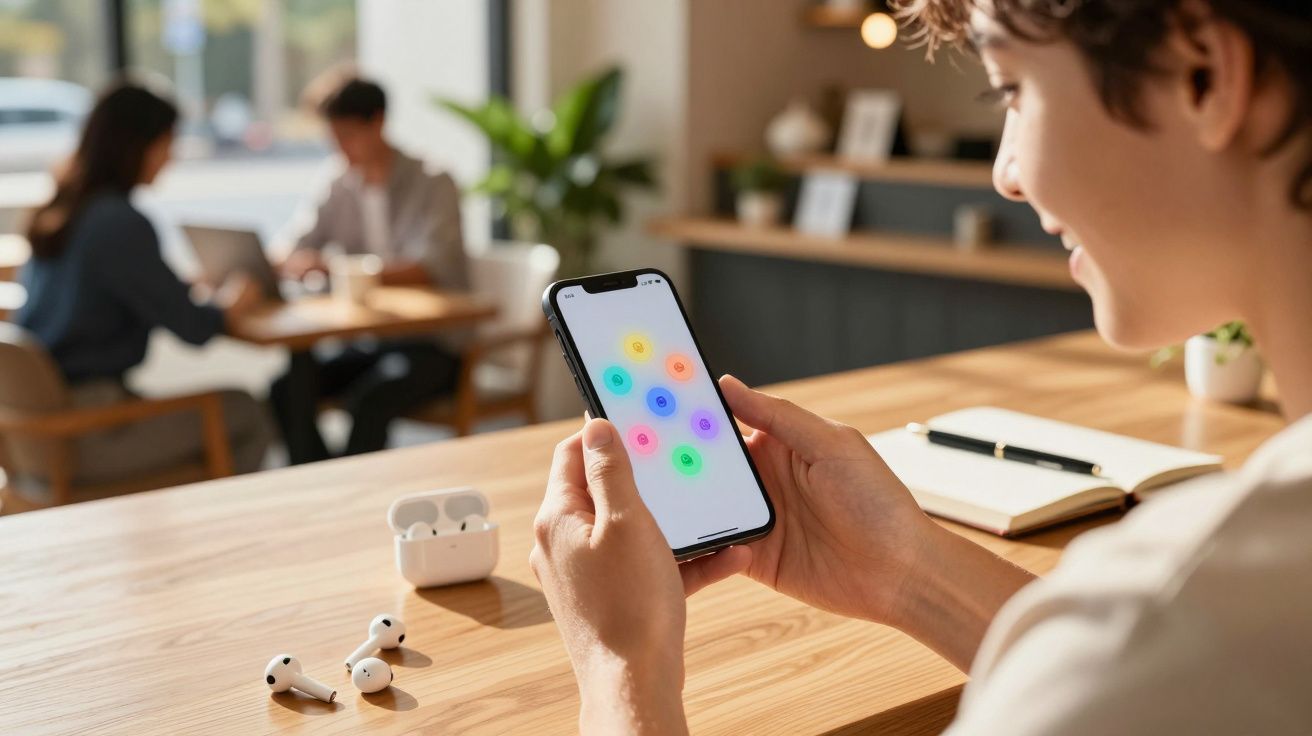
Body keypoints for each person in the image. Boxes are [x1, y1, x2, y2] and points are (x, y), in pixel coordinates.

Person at [530, 1, 1312, 733]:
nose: (1006, 171)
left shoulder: (1183, 619)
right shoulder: (1205, 627)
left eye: (1012, 88)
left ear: (1203, 74)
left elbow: (1136, 666)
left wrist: (620, 668)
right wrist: (908, 572)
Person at [18, 81, 273, 484]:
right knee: (246, 413)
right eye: (168, 142)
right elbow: (193, 328)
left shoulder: (59, 210)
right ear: (139, 146)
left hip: (32, 433)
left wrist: (177, 287)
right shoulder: (120, 222)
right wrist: (232, 302)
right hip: (89, 429)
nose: (171, 157)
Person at [271, 71, 470, 464]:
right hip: (369, 339)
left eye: (347, 136)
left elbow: (429, 266)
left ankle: (351, 495)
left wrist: (338, 268)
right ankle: (321, 484)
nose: (340, 149)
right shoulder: (338, 180)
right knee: (288, 387)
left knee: (370, 399)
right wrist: (283, 261)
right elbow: (294, 245)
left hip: (433, 345)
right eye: (332, 138)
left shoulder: (433, 181)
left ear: (377, 121)